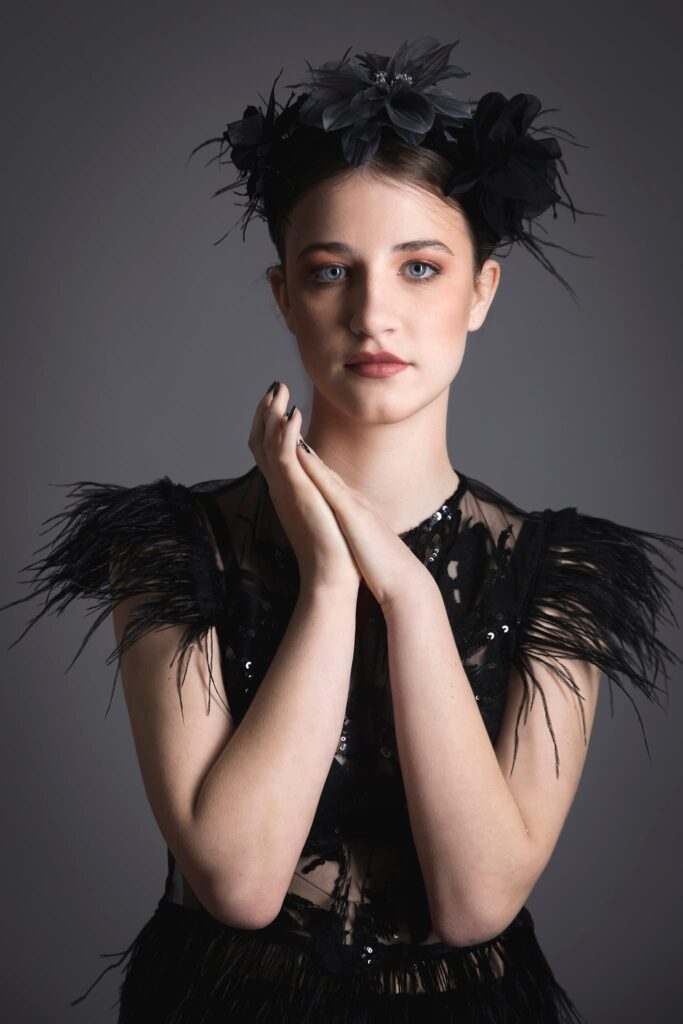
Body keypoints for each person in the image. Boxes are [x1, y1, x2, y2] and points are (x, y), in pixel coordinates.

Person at [3, 35, 683, 1024]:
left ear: (479, 292)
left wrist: (407, 595)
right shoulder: (166, 546)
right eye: (330, 272)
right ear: (284, 295)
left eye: (418, 267)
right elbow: (237, 882)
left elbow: (475, 902)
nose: (374, 313)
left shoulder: (560, 575)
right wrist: (328, 581)